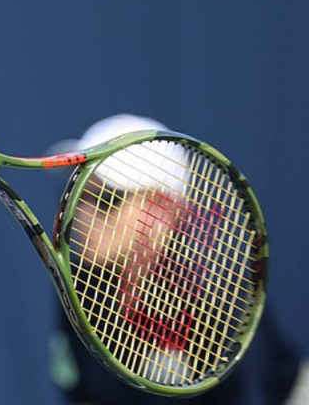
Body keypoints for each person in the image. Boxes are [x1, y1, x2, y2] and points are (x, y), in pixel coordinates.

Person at [49, 114, 304, 405]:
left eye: (109, 199)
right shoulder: (78, 282)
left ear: (163, 210)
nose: (80, 215)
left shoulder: (214, 291)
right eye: (77, 193)